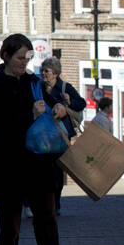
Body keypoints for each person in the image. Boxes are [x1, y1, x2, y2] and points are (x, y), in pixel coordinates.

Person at [0, 34, 81, 245]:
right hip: (8, 164)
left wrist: (58, 107)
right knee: (10, 227)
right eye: (19, 58)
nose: (24, 63)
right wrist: (30, 115)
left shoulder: (34, 82)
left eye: (28, 57)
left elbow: (49, 106)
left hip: (37, 163)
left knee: (47, 221)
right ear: (5, 56)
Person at [40, 57, 86, 213]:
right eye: (42, 70)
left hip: (61, 135)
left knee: (58, 170)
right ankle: (46, 202)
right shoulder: (39, 87)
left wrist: (70, 102)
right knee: (44, 170)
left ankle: (55, 203)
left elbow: (82, 103)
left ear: (55, 73)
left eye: (46, 71)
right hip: (42, 135)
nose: (43, 73)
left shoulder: (65, 88)